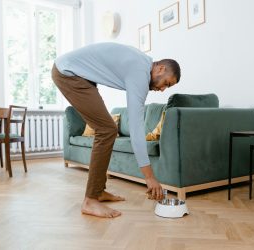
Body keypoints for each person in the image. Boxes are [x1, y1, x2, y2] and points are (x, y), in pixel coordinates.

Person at [52, 42, 180, 218]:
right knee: (106, 130)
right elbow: (136, 129)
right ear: (160, 68)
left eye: (167, 87)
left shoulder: (142, 63)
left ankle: (98, 192)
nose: (162, 89)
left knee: (107, 129)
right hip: (67, 73)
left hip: (78, 74)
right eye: (166, 83)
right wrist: (149, 177)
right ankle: (90, 200)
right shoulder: (140, 73)